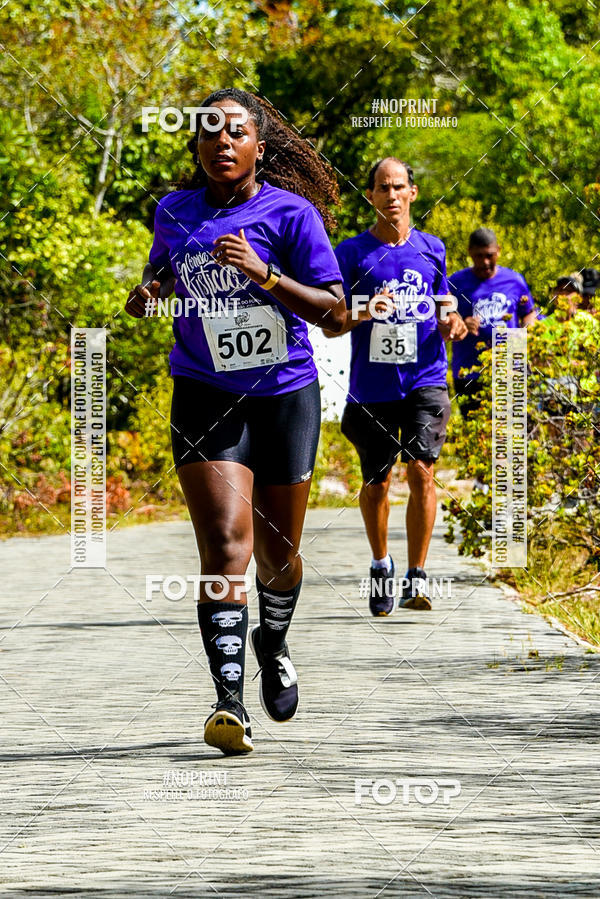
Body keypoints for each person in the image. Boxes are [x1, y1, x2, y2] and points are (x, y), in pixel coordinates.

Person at [125, 88, 345, 755]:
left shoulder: (293, 214)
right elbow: (160, 275)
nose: (221, 141)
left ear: (259, 145)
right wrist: (148, 295)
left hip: (284, 395)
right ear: (197, 146)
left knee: (278, 555)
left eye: (236, 132)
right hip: (203, 392)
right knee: (226, 545)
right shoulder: (174, 212)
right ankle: (229, 702)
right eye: (209, 133)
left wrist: (267, 273)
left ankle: (272, 643)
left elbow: (335, 312)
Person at [323, 157, 466, 615]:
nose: (391, 195)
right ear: (371, 196)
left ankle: (417, 576)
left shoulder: (432, 249)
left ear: (413, 193)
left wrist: (453, 323)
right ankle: (381, 564)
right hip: (373, 386)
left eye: (398, 186)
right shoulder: (351, 254)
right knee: (378, 482)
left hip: (425, 376)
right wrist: (366, 310)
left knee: (423, 470)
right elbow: (331, 324)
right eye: (382, 187)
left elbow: (446, 305)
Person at [449, 228, 538, 417]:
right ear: (470, 252)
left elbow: (529, 313)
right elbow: (440, 318)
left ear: (498, 250)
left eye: (489, 255)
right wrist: (460, 323)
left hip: (510, 370)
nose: (485, 262)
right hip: (469, 373)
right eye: (479, 256)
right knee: (478, 435)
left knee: (511, 437)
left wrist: (526, 334)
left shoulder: (514, 280)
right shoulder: (455, 283)